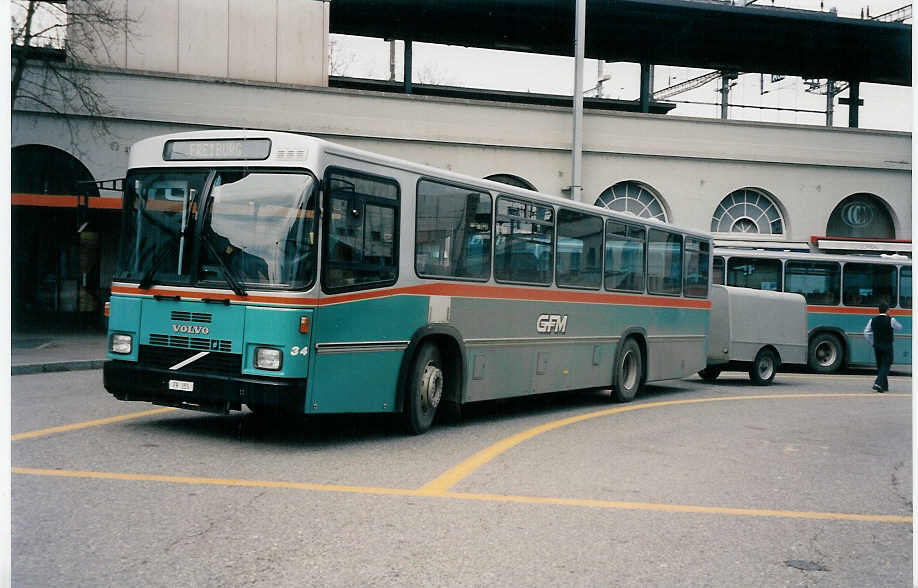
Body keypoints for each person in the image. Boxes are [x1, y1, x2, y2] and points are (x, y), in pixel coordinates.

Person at [863, 301, 903, 392]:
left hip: (877, 346)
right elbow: (900, 327)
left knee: (881, 366)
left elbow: (866, 333)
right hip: (888, 346)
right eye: (889, 310)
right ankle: (878, 383)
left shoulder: (872, 320)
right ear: (887, 310)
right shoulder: (891, 320)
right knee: (886, 364)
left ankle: (884, 386)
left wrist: (872, 343)